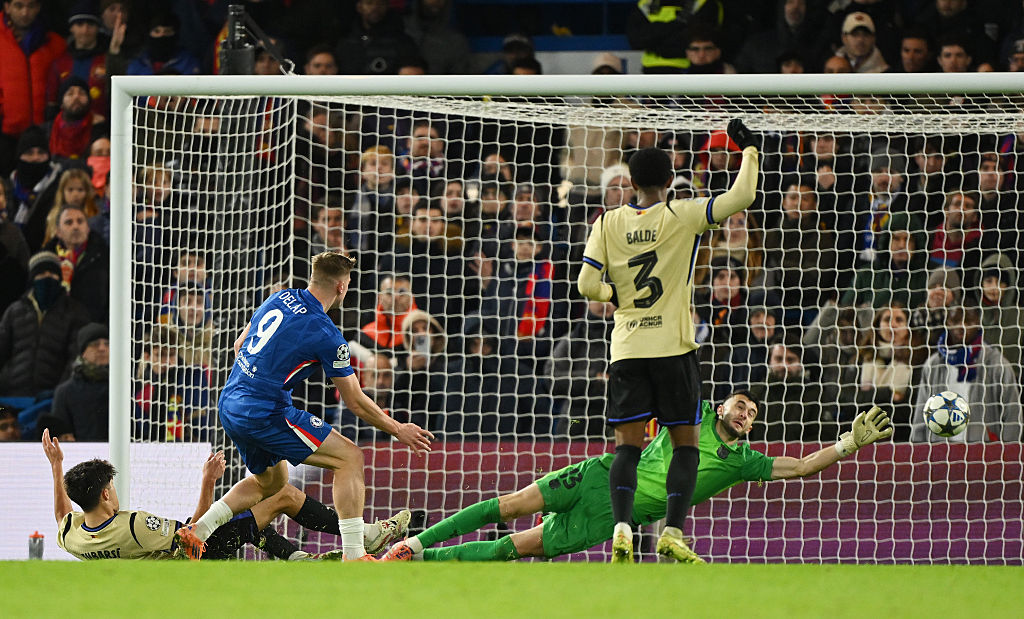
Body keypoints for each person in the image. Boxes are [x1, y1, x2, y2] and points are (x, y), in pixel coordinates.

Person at [381, 391, 892, 562]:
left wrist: (847, 444)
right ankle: (414, 545)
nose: (746, 415)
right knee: (512, 502)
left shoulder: (743, 461)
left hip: (612, 515)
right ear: (721, 404)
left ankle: (423, 558)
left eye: (753, 413)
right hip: (598, 473)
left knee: (520, 545)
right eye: (741, 406)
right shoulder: (686, 416)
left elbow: (800, 466)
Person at [575, 119, 759, 563]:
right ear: (668, 179)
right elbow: (742, 197)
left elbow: (585, 284)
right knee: (686, 447)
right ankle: (673, 532)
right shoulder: (683, 213)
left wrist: (611, 294)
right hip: (674, 349)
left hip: (628, 349)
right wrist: (749, 150)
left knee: (627, 448)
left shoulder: (607, 221)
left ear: (633, 182)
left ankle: (621, 527)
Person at [176, 251, 433, 561]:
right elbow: (355, 402)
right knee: (349, 457)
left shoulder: (279, 298)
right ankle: (355, 554)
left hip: (230, 402)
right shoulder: (327, 334)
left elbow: (239, 345)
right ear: (341, 287)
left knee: (272, 482)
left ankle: (198, 531)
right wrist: (397, 428)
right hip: (265, 410)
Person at [42, 430, 411, 561]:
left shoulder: (72, 536)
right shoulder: (135, 525)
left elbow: (62, 516)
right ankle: (366, 535)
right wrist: (207, 481)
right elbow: (193, 533)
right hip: (198, 557)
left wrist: (57, 467)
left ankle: (299, 558)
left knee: (253, 517)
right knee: (283, 495)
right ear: (106, 493)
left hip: (169, 564)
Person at [910, 306, 1022, 443]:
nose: (961, 327)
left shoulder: (996, 364)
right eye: (955, 321)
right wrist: (918, 450)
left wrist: (1007, 455)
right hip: (940, 452)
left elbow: (1013, 414)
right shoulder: (933, 365)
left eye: (968, 322)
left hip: (983, 453)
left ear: (978, 323)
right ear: (947, 323)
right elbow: (921, 414)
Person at [50, 321, 108, 441]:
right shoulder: (65, 391)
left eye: (107, 344)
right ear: (83, 352)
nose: (102, 348)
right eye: (95, 344)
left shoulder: (126, 386)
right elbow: (61, 433)